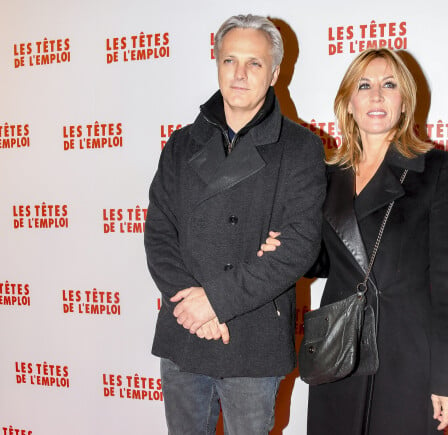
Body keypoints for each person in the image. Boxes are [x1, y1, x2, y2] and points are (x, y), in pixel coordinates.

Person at [260, 47, 448, 434]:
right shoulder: (325, 174)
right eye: (364, 85)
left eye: (389, 85)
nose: (376, 96)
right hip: (339, 347)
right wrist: (288, 249)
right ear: (348, 104)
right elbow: (324, 260)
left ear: (404, 102)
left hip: (406, 353)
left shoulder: (438, 169)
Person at [144, 14, 326, 435]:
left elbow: (298, 246)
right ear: (217, 64)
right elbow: (159, 234)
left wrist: (216, 302)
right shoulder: (181, 144)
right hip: (184, 331)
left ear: (275, 72)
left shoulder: (300, 148)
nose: (240, 74)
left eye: (254, 63)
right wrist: (193, 308)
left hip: (251, 337)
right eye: (230, 61)